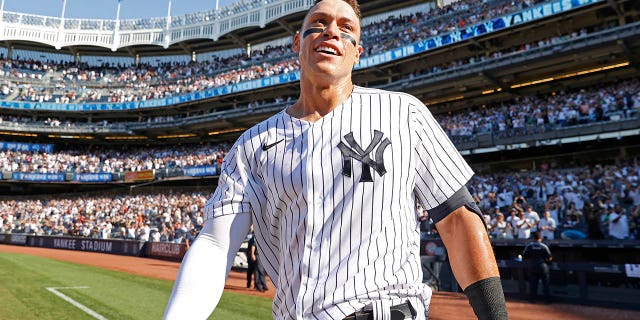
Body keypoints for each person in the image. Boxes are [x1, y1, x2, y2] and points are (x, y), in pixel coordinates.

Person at [163, 1, 507, 319]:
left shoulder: (403, 113)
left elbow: (458, 221)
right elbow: (215, 243)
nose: (331, 31)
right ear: (298, 42)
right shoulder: (252, 145)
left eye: (346, 27)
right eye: (319, 23)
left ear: (356, 53)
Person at [521, 232, 552, 304]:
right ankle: (547, 301)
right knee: (545, 284)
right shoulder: (544, 246)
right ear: (540, 238)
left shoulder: (529, 246)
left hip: (533, 267)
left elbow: (524, 256)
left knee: (533, 284)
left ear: (533, 238)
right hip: (542, 267)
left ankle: (532, 300)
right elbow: (549, 258)